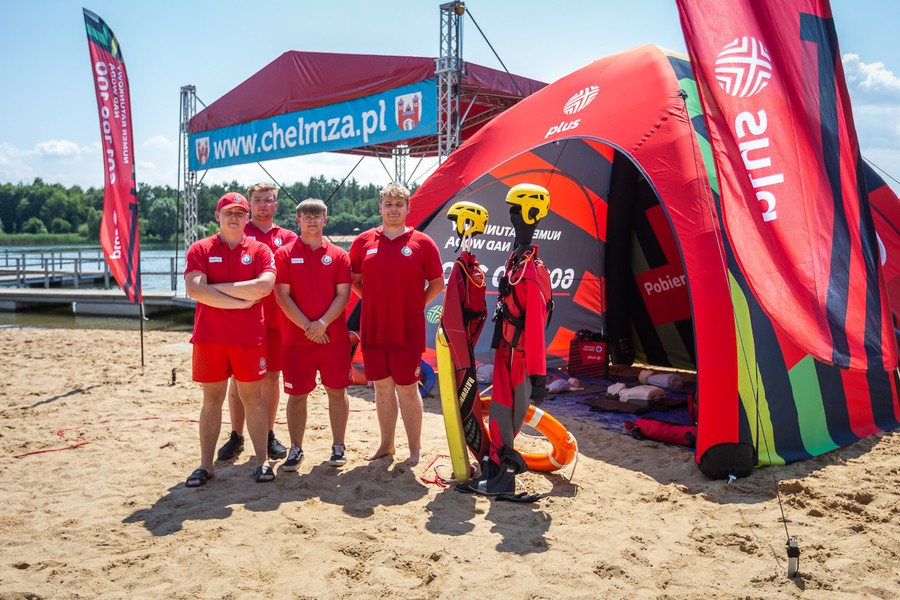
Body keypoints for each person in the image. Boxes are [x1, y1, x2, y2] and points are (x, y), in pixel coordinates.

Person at [183, 192, 277, 486]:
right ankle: (206, 465)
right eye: (228, 212)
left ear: (247, 217)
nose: (234, 217)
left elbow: (264, 287)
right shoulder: (201, 248)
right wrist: (239, 302)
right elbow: (194, 290)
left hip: (248, 339)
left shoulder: (260, 249)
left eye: (239, 213)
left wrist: (215, 289)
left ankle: (262, 462)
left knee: (253, 400)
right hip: (210, 338)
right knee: (212, 400)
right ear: (218, 216)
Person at [349, 183, 444, 466]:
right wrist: (372, 300)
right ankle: (386, 445)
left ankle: (414, 450)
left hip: (407, 330)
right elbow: (354, 280)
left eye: (398, 205)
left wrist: (416, 304)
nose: (393, 209)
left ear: (407, 208)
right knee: (382, 388)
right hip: (374, 328)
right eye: (388, 204)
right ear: (380, 207)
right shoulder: (364, 241)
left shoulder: (423, 242)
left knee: (407, 388)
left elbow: (437, 283)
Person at [467, 183, 552, 496]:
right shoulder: (517, 260)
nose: (512, 215)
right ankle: (496, 467)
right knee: (500, 413)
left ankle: (504, 476)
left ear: (530, 213)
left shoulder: (529, 271)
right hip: (507, 351)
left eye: (516, 209)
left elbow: (535, 326)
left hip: (520, 357)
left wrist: (539, 376)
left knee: (507, 414)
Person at [216, 183, 297, 463]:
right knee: (238, 380)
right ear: (250, 205)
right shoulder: (239, 231)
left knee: (272, 378)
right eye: (258, 200)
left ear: (276, 205)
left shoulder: (288, 237)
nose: (263, 204)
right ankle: (237, 435)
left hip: (276, 320)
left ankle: (269, 433)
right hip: (243, 319)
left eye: (268, 200)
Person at [273, 198, 352, 470]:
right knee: (297, 395)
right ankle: (296, 448)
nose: (312, 221)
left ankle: (338, 446)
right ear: (298, 220)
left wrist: (322, 323)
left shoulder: (339, 255)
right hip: (296, 339)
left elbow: (343, 295)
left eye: (316, 216)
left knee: (337, 391)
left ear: (324, 220)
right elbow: (282, 296)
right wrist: (309, 326)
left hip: (333, 338)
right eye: (306, 217)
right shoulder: (284, 254)